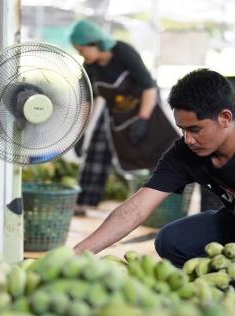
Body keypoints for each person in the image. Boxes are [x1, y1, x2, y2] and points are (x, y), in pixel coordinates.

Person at [74, 68, 235, 275]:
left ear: (225, 118)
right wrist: (77, 253)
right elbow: (135, 209)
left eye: (195, 129)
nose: (188, 139)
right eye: (182, 129)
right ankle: (217, 279)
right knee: (170, 239)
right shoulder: (184, 153)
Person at [69, 19, 179, 214]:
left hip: (143, 107)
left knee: (159, 150)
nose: (81, 55)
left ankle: (164, 201)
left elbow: (148, 86)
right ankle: (84, 201)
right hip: (114, 112)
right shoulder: (90, 67)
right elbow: (87, 102)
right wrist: (80, 133)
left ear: (95, 43)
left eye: (82, 50)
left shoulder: (123, 52)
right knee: (96, 152)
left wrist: (143, 119)